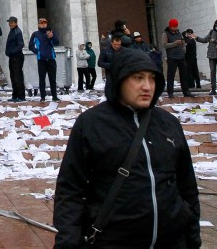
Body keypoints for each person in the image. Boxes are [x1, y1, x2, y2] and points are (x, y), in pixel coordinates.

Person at [52, 48, 201, 248]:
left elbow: (187, 187)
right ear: (120, 80)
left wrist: (191, 237)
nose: (147, 86)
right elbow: (70, 189)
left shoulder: (168, 124)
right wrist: (68, 243)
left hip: (171, 241)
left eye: (152, 78)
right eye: (138, 78)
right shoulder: (92, 123)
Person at [29, 18, 59, 102]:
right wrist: (37, 52)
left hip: (51, 59)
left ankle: (54, 96)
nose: (43, 24)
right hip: (41, 60)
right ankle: (42, 97)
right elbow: (30, 46)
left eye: (45, 23)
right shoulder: (35, 34)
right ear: (38, 24)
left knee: (52, 79)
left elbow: (57, 42)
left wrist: (52, 37)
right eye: (41, 23)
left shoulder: (51, 32)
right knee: (42, 79)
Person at [161, 18, 193, 99]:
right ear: (170, 26)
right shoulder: (166, 34)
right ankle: (170, 92)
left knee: (184, 75)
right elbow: (165, 45)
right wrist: (174, 43)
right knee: (171, 75)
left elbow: (183, 42)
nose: (175, 28)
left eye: (176, 26)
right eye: (173, 27)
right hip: (172, 57)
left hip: (181, 56)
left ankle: (186, 91)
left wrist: (183, 46)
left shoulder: (179, 33)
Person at [196, 19, 217, 94]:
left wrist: (215, 41)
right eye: (216, 25)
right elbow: (205, 40)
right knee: (212, 72)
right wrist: (196, 38)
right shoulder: (211, 31)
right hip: (211, 55)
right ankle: (213, 89)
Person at [3, 16, 26, 102]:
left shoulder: (17, 32)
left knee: (17, 76)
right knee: (13, 76)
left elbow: (21, 45)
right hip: (12, 57)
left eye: (12, 22)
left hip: (17, 57)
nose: (10, 24)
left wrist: (12, 51)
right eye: (9, 22)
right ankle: (15, 95)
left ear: (16, 23)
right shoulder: (12, 31)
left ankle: (21, 96)